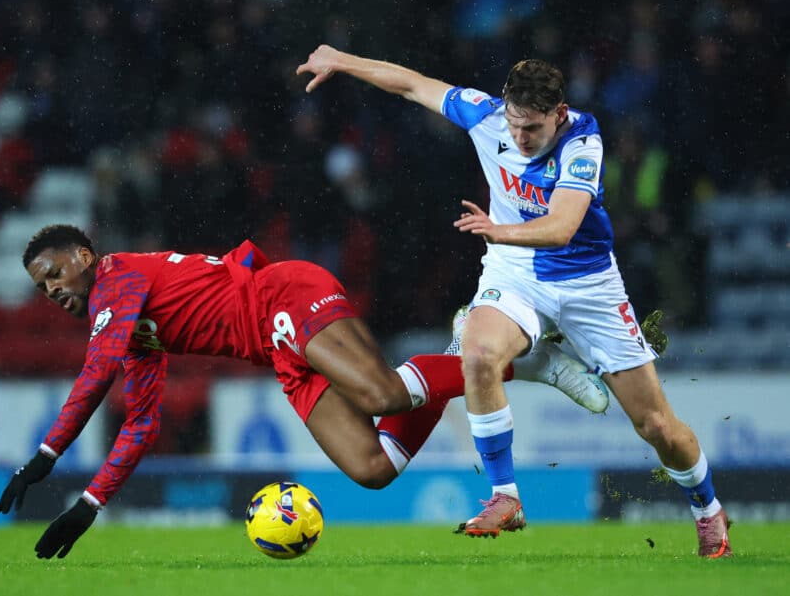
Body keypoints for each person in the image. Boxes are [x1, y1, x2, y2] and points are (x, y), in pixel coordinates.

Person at [296, 46, 732, 558]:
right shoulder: (487, 116)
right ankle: (506, 496)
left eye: (533, 130)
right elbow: (412, 83)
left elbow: (563, 226)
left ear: (559, 115)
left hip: (588, 286)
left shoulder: (582, 141)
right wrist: (343, 61)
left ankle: (707, 508)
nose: (521, 139)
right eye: (515, 126)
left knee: (655, 425)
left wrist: (497, 228)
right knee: (475, 353)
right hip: (515, 272)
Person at [0, 224, 609, 559]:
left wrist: (46, 457)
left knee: (382, 396)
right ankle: (460, 358)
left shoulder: (117, 280)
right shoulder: (130, 330)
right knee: (373, 467)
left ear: (83, 255)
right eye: (39, 287)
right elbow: (140, 424)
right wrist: (90, 504)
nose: (50, 290)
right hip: (275, 350)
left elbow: (95, 373)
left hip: (282, 299)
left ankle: (523, 364)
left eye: (53, 274)